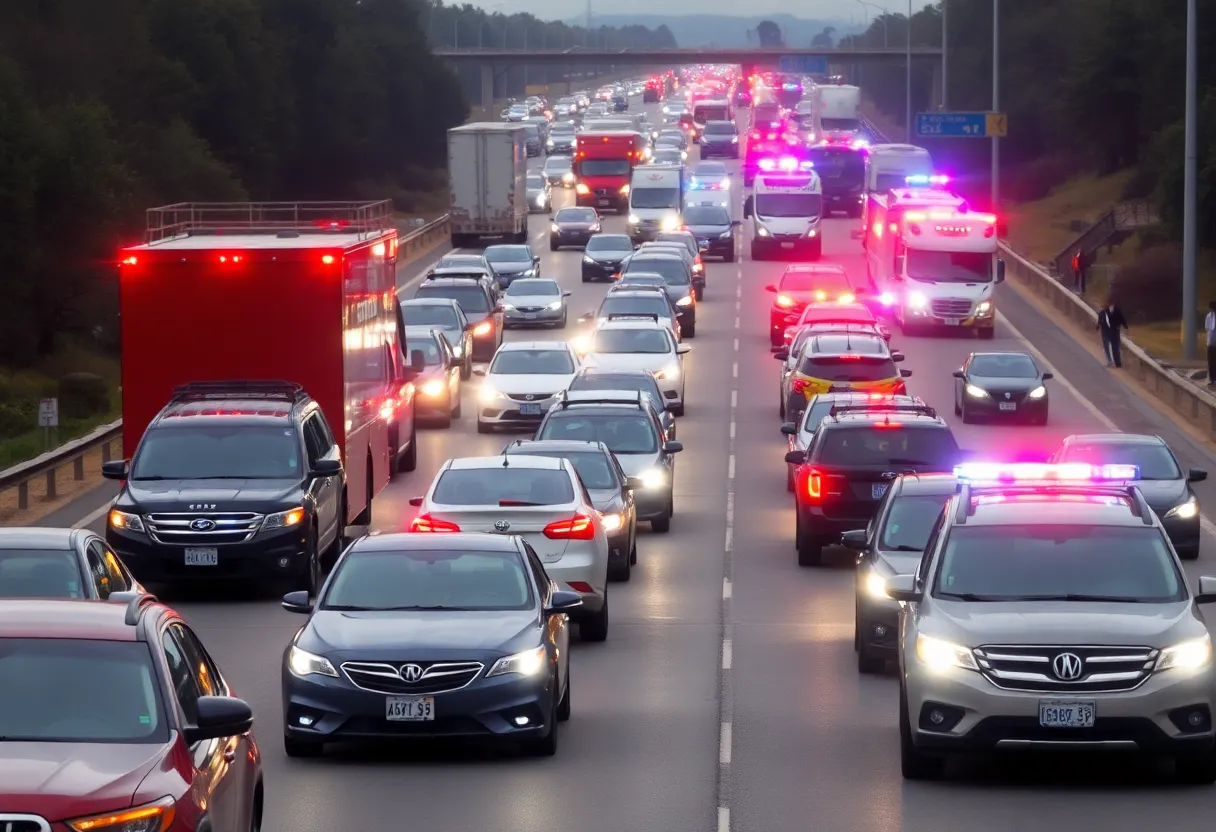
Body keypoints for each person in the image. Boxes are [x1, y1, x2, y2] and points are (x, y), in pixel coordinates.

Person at [1097, 296, 1128, 368]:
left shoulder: (1117, 311)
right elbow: (1100, 320)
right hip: (1105, 331)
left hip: (1114, 332)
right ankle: (1109, 361)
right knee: (1106, 347)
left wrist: (1125, 327)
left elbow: (1122, 319)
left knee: (1115, 347)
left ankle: (1118, 363)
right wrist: (1098, 327)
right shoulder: (1102, 312)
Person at [1205, 301, 1216, 386]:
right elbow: (1208, 328)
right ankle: (1211, 379)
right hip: (1210, 342)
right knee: (1211, 362)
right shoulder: (1209, 316)